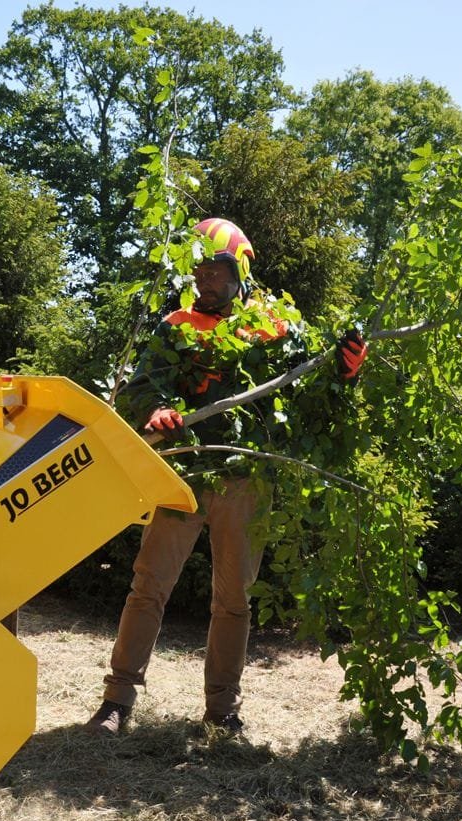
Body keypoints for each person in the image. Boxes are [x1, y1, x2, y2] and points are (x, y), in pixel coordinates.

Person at [85, 217, 366, 736]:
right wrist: (157, 412)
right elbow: (142, 387)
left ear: (239, 271)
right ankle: (117, 700)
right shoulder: (176, 325)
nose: (203, 278)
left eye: (214, 268)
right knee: (148, 588)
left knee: (234, 599)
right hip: (183, 477)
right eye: (197, 269)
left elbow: (314, 392)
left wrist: (345, 370)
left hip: (244, 482)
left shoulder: (274, 327)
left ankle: (223, 710)